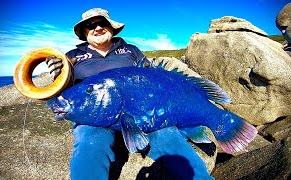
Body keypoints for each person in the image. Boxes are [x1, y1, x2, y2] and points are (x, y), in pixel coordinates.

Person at [46, 8, 213, 180]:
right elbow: (64, 92)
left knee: (168, 137)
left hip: (141, 114)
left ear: (111, 26)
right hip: (95, 118)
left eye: (102, 23)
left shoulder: (130, 50)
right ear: (84, 32)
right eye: (90, 25)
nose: (97, 28)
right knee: (90, 144)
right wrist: (59, 74)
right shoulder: (72, 56)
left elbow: (152, 77)